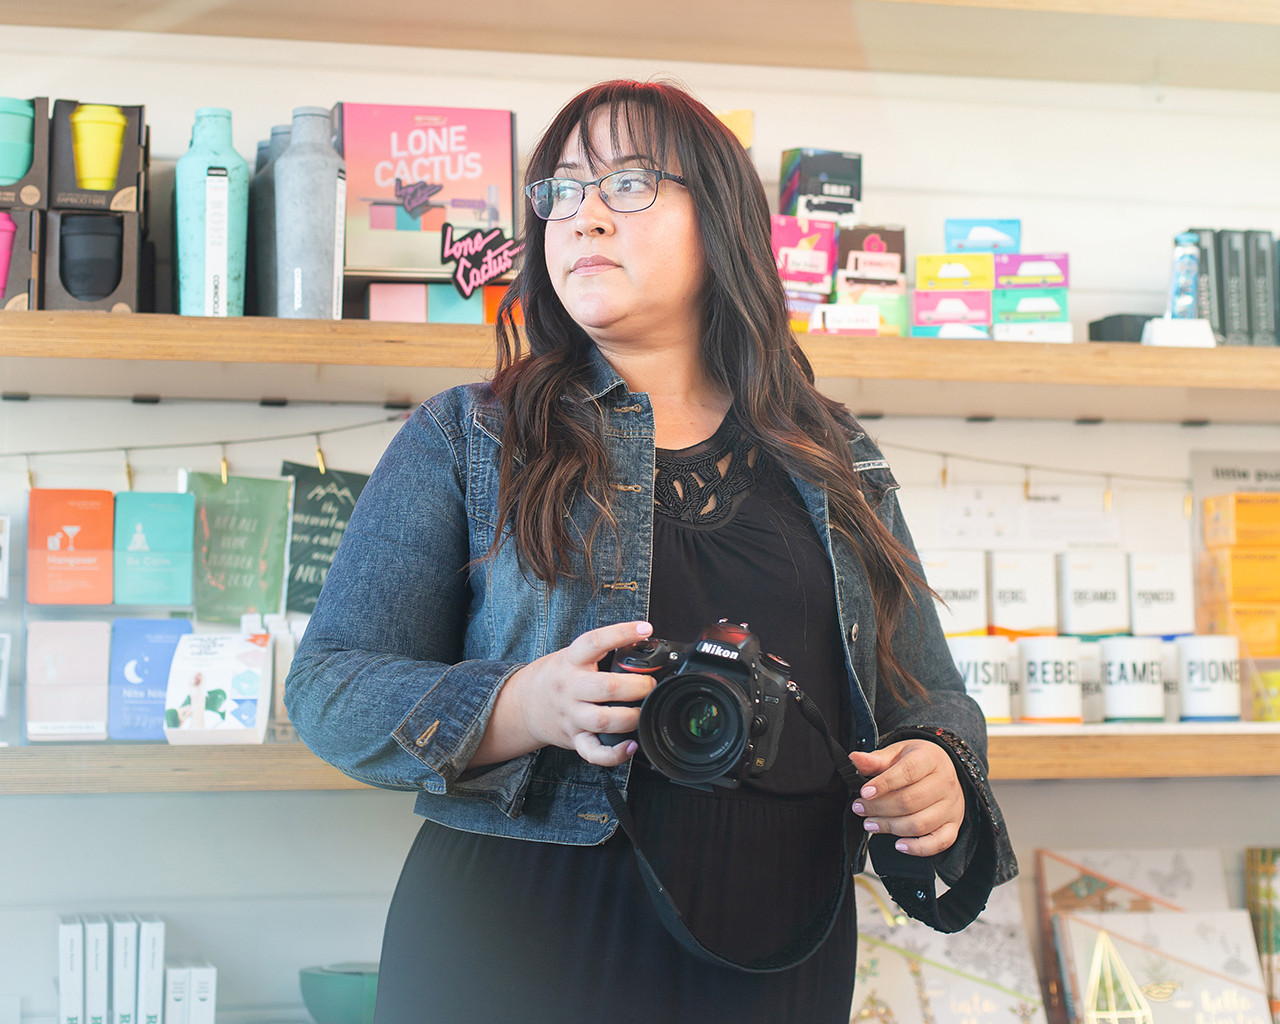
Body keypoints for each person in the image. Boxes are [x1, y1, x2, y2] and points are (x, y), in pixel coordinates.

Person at [285, 78, 1017, 1024]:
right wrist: (524, 704)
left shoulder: (832, 454)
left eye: (628, 183)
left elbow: (926, 695)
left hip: (781, 956)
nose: (582, 215)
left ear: (721, 221)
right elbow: (329, 688)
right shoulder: (470, 437)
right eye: (560, 190)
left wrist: (940, 766)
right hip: (518, 945)